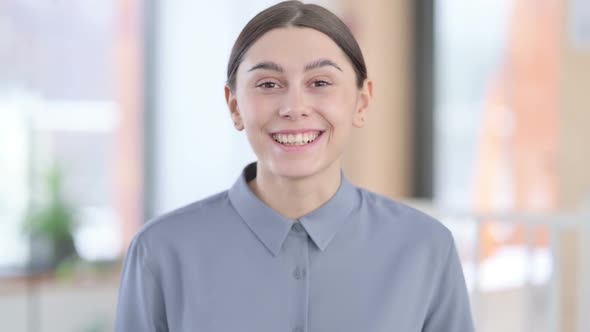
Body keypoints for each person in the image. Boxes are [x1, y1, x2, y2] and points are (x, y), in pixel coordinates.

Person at [114, 1, 475, 331]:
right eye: (268, 84)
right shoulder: (159, 253)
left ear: (362, 102)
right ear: (235, 105)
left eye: (320, 82)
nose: (294, 106)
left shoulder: (425, 248)